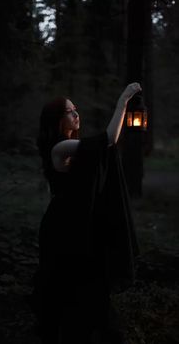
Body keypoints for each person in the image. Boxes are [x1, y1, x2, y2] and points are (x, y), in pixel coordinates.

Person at [31, 83, 142, 344]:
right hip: (62, 229)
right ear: (57, 120)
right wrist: (123, 101)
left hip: (78, 225)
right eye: (69, 111)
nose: (76, 114)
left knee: (88, 287)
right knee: (67, 287)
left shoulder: (72, 146)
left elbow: (97, 155)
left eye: (75, 109)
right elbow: (108, 140)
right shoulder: (59, 149)